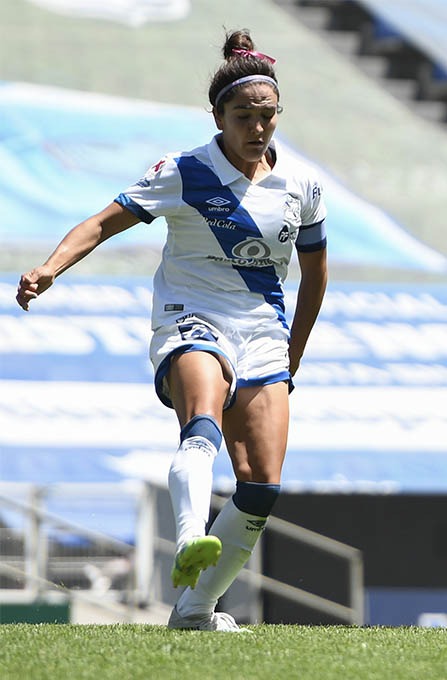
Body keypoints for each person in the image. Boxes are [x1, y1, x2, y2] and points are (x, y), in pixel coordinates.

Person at [16, 30, 328, 632]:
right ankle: (189, 539)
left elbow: (315, 272)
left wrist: (295, 352)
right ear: (218, 116)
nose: (258, 128)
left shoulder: (302, 186)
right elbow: (103, 222)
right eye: (245, 116)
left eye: (268, 117)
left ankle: (193, 610)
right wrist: (49, 268)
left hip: (263, 329)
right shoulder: (183, 171)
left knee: (261, 487)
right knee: (202, 420)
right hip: (192, 314)